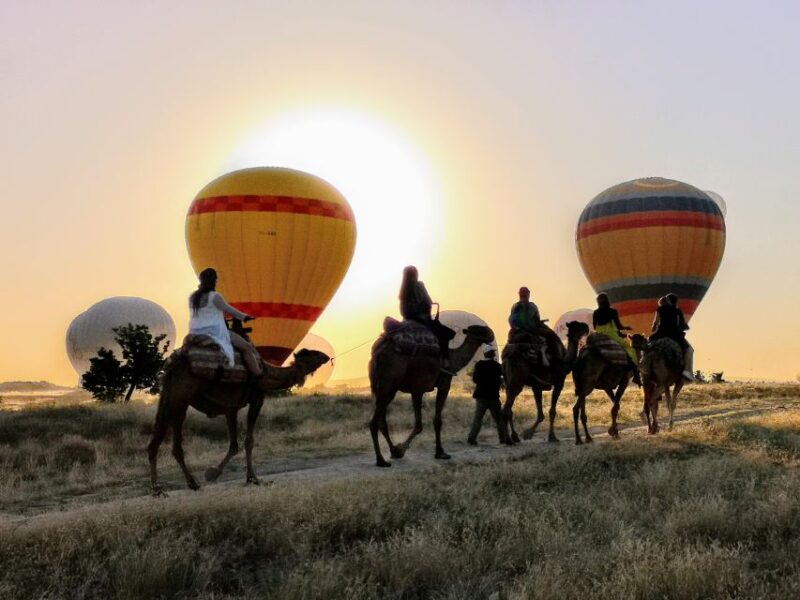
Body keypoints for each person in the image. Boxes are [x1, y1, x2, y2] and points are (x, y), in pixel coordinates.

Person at [189, 268, 263, 376]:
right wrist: (245, 317)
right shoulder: (215, 296)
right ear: (214, 280)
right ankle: (258, 374)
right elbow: (229, 310)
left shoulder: (193, 297)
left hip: (195, 332)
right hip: (215, 332)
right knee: (246, 347)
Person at [398, 266, 455, 362]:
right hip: (422, 320)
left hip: (407, 321)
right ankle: (444, 360)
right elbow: (428, 302)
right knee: (446, 334)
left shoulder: (403, 291)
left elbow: (403, 311)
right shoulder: (419, 285)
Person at [593, 292, 641, 386]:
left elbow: (595, 327)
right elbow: (619, 326)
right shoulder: (612, 311)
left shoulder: (596, 312)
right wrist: (626, 327)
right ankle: (636, 376)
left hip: (599, 337)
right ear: (607, 300)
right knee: (629, 351)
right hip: (612, 336)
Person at [507, 287, 561, 366]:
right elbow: (536, 320)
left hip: (516, 331)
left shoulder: (515, 306)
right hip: (530, 330)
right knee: (550, 335)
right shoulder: (532, 306)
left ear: (519, 295)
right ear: (528, 295)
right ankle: (553, 361)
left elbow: (511, 320)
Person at [467, 346, 506, 445]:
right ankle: (503, 438)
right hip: (493, 396)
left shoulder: (479, 365)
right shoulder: (497, 366)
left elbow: (475, 379)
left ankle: (471, 438)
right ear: (491, 354)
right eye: (493, 352)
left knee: (477, 419)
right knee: (499, 419)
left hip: (480, 396)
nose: (493, 354)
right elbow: (503, 378)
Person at [650, 294, 693, 381]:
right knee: (689, 349)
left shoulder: (660, 309)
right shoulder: (677, 311)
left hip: (660, 333)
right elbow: (679, 325)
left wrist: (653, 328)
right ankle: (687, 371)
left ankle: (642, 366)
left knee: (647, 345)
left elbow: (655, 323)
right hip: (674, 334)